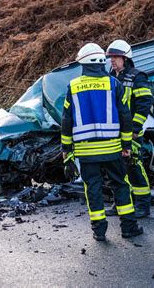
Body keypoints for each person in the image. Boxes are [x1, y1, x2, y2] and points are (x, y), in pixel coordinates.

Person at [61, 43, 143, 241]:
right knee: (121, 185)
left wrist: (66, 149)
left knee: (93, 188)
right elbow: (125, 116)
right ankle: (129, 228)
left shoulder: (73, 86)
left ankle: (99, 230)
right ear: (100, 62)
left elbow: (66, 120)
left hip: (86, 151)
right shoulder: (114, 84)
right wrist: (126, 145)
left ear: (83, 63)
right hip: (113, 149)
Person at [105, 39, 154, 218]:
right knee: (117, 170)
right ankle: (120, 203)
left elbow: (144, 103)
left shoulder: (137, 76)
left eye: (116, 57)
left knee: (134, 167)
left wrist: (134, 128)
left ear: (125, 58)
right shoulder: (110, 77)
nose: (112, 60)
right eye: (110, 57)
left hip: (131, 133)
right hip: (114, 134)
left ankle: (143, 205)